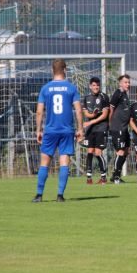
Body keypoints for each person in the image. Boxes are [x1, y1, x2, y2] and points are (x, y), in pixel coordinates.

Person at [32, 59, 83, 203]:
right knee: (64, 162)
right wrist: (80, 129)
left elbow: (39, 112)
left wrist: (38, 130)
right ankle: (60, 195)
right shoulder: (71, 88)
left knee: (44, 163)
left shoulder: (45, 88)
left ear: (52, 70)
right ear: (65, 70)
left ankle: (39, 195)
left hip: (50, 130)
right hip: (67, 130)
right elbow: (78, 110)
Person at [82, 77, 110, 185]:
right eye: (93, 85)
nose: (96, 87)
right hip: (90, 129)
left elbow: (104, 115)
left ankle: (103, 177)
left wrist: (91, 122)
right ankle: (89, 178)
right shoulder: (87, 97)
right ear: (90, 86)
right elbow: (86, 113)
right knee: (89, 152)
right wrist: (92, 115)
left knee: (98, 153)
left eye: (97, 85)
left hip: (101, 128)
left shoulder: (104, 97)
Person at [108, 74, 131, 184]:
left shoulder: (125, 94)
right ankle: (116, 176)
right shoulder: (118, 93)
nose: (128, 84)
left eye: (128, 82)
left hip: (124, 128)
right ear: (120, 83)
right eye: (126, 82)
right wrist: (109, 123)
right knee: (120, 151)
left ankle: (114, 175)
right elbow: (111, 109)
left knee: (126, 151)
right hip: (117, 128)